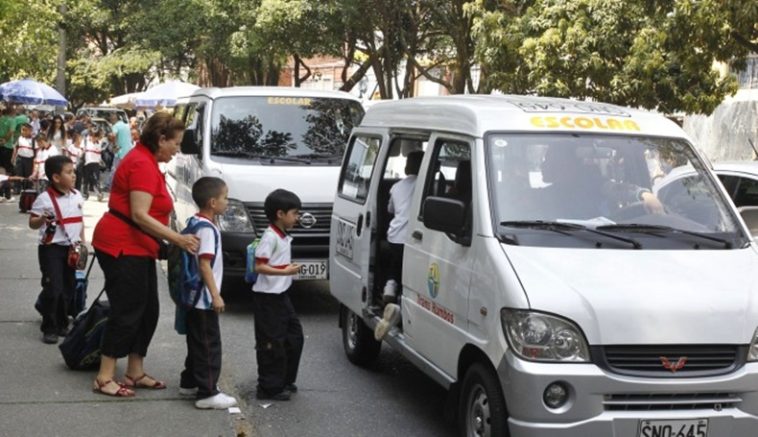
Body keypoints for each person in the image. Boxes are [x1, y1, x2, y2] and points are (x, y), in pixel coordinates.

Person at [90, 112, 198, 398]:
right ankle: (104, 376)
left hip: (139, 247)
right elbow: (139, 214)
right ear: (161, 139)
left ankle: (135, 371)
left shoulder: (147, 160)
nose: (177, 149)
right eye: (175, 143)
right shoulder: (140, 163)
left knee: (148, 310)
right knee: (127, 311)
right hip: (122, 245)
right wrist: (178, 239)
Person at [178, 176, 238, 409]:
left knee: (197, 341)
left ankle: (189, 382)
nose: (227, 202)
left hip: (192, 296)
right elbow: (205, 264)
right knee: (208, 344)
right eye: (224, 197)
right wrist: (216, 295)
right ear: (212, 202)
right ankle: (207, 392)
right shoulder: (208, 230)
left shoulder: (194, 221)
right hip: (203, 298)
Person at [252, 188, 304, 401]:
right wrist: (285, 271)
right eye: (295, 213)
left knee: (294, 337)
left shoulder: (283, 236)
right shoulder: (270, 237)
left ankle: (284, 379)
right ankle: (268, 387)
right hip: (268, 298)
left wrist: (285, 269)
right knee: (272, 342)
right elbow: (259, 267)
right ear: (280, 214)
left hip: (282, 295)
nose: (298, 217)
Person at [28, 155, 84, 344]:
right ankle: (49, 327)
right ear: (56, 178)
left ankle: (62, 323)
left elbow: (79, 221)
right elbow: (32, 224)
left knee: (68, 287)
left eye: (73, 171)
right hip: (51, 249)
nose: (74, 175)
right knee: (53, 287)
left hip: (71, 248)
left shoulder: (77, 195)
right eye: (69, 172)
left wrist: (82, 243)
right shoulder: (44, 199)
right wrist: (42, 219)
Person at [374, 151, 423, 341]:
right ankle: (400, 303)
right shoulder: (427, 186)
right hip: (414, 239)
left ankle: (389, 288)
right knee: (410, 269)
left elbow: (390, 210)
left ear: (406, 167)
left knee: (398, 260)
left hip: (395, 236)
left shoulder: (396, 187)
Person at [0, 105, 17, 201]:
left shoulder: (1, 118)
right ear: (12, 112)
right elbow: (11, 131)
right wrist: (5, 140)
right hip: (7, 146)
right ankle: (7, 194)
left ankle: (1, 194)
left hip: (1, 145)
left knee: (1, 168)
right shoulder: (12, 120)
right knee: (7, 170)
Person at [82, 128, 104, 201]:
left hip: (95, 163)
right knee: (86, 180)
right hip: (87, 163)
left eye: (95, 136)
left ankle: (99, 194)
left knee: (96, 179)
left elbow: (99, 153)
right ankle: (85, 194)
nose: (93, 138)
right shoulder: (85, 141)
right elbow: (81, 150)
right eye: (92, 136)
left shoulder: (99, 143)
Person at [12, 123, 35, 190]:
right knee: (18, 173)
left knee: (28, 174)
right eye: (22, 130)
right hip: (20, 158)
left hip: (29, 160)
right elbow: (16, 148)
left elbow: (36, 151)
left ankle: (28, 188)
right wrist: (13, 157)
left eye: (25, 130)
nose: (23, 131)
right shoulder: (19, 138)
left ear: (30, 131)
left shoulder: (33, 140)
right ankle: (17, 188)